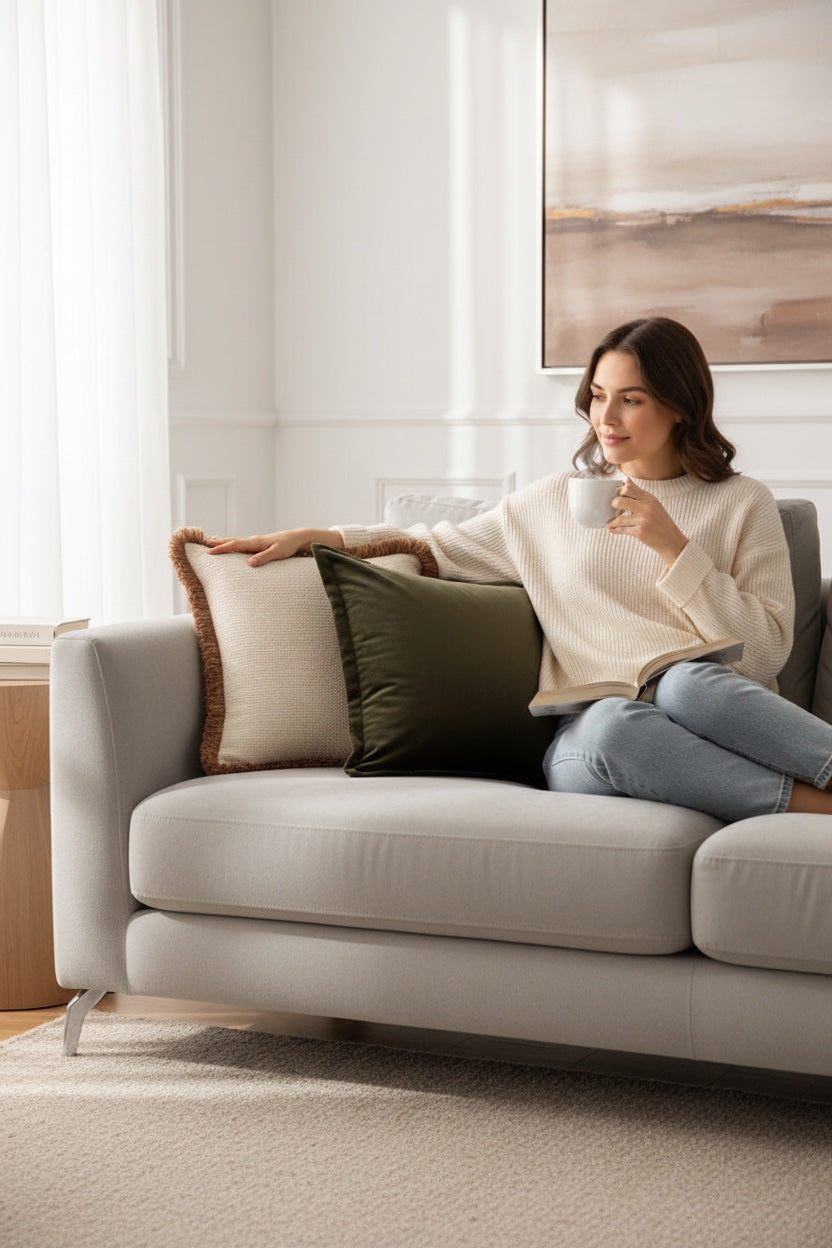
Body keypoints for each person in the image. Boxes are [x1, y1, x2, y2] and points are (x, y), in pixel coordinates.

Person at [208, 316, 832, 820]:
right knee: (616, 724)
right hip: (591, 743)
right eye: (596, 397)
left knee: (686, 683)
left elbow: (766, 654)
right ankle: (814, 806)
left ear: (679, 407)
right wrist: (322, 535)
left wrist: (673, 548)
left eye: (631, 400)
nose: (605, 420)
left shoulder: (739, 502)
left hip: (704, 719)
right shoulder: (553, 502)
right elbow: (431, 543)